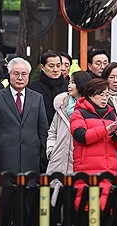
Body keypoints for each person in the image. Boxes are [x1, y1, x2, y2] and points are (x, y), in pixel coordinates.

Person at [70, 79, 117, 210]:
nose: (104, 98)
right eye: (100, 94)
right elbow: (81, 136)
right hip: (87, 170)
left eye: (107, 95)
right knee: (87, 209)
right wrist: (105, 130)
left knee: (108, 211)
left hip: (109, 169)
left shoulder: (111, 113)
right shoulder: (79, 113)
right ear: (90, 95)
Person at [0, 57, 48, 173]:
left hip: (32, 158)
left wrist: (43, 154)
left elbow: (43, 128)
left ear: (28, 76)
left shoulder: (37, 98)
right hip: (5, 158)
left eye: (24, 74)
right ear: (9, 75)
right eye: (16, 74)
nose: (20, 78)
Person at [46, 71, 91, 205]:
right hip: (58, 160)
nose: (69, 86)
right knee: (52, 203)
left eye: (73, 82)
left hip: (78, 161)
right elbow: (52, 131)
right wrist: (51, 150)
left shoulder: (89, 109)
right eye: (69, 82)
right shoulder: (61, 106)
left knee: (75, 203)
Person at [28, 50, 68, 126]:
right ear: (42, 67)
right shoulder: (33, 87)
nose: (55, 70)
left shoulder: (68, 86)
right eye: (51, 66)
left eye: (58, 66)